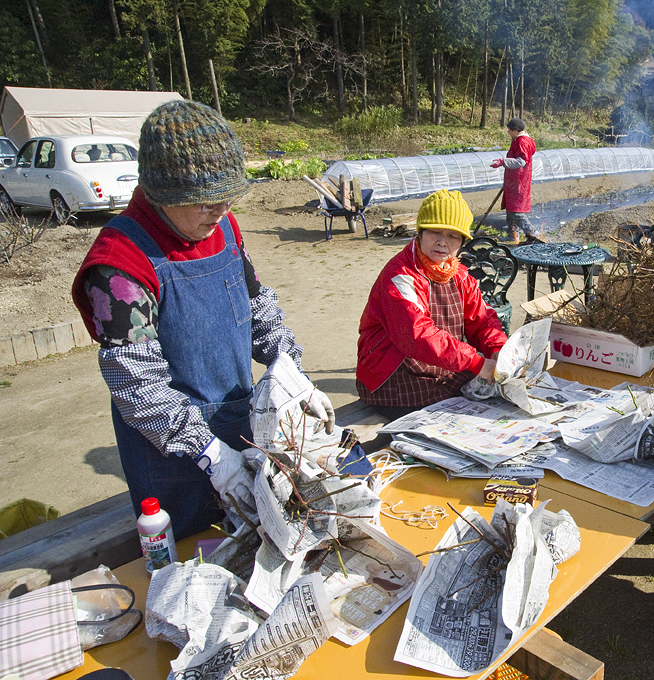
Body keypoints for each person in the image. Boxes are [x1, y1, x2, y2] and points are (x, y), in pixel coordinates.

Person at [72, 100, 335, 539]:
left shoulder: (224, 229)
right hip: (171, 454)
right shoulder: (119, 264)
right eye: (206, 203)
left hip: (239, 422)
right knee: (198, 551)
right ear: (162, 195)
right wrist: (210, 454)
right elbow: (138, 386)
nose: (220, 212)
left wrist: (291, 373)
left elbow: (256, 309)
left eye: (227, 200)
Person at [356, 189, 508, 420]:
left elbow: (483, 320)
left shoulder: (459, 275)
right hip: (395, 374)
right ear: (420, 233)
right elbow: (418, 334)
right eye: (434, 232)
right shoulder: (400, 276)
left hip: (440, 366)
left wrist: (498, 351)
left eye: (452, 236)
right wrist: (476, 362)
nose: (442, 243)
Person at [490, 117, 539, 244]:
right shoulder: (521, 140)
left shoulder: (522, 142)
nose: (508, 133)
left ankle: (532, 232)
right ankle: (513, 235)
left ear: (516, 130)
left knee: (516, 211)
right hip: (514, 180)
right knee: (510, 209)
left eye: (509, 130)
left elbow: (521, 161)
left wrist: (503, 162)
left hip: (519, 180)